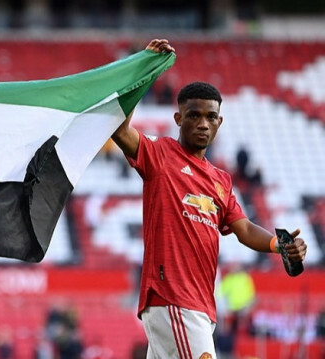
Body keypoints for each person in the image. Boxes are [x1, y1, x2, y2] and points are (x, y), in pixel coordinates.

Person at [110, 39, 308, 358]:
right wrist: (142, 70)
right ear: (178, 119)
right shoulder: (160, 154)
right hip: (174, 298)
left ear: (219, 122)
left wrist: (276, 244)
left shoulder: (221, 180)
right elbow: (119, 130)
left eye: (210, 116)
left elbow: (243, 229)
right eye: (193, 115)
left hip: (199, 306)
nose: (202, 123)